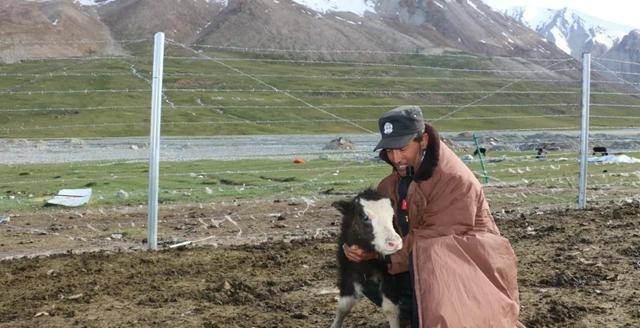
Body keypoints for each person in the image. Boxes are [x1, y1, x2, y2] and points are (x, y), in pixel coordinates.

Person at [343, 105, 521, 327]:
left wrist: (383, 255)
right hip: (416, 260)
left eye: (402, 148)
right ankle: (410, 316)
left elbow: (430, 237)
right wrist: (363, 247)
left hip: (467, 267)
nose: (396, 158)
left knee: (432, 253)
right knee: (360, 267)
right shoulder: (394, 182)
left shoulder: (455, 180)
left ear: (423, 140)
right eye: (389, 150)